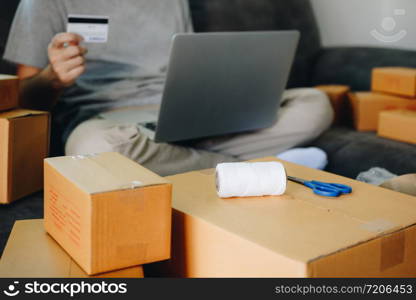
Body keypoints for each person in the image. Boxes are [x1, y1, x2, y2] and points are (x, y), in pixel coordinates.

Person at [4, 0, 334, 176]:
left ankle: (187, 163)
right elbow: (24, 99)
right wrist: (54, 77)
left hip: (181, 109)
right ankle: (255, 168)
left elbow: (183, 61)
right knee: (96, 151)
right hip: (110, 123)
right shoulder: (43, 3)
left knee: (314, 103)